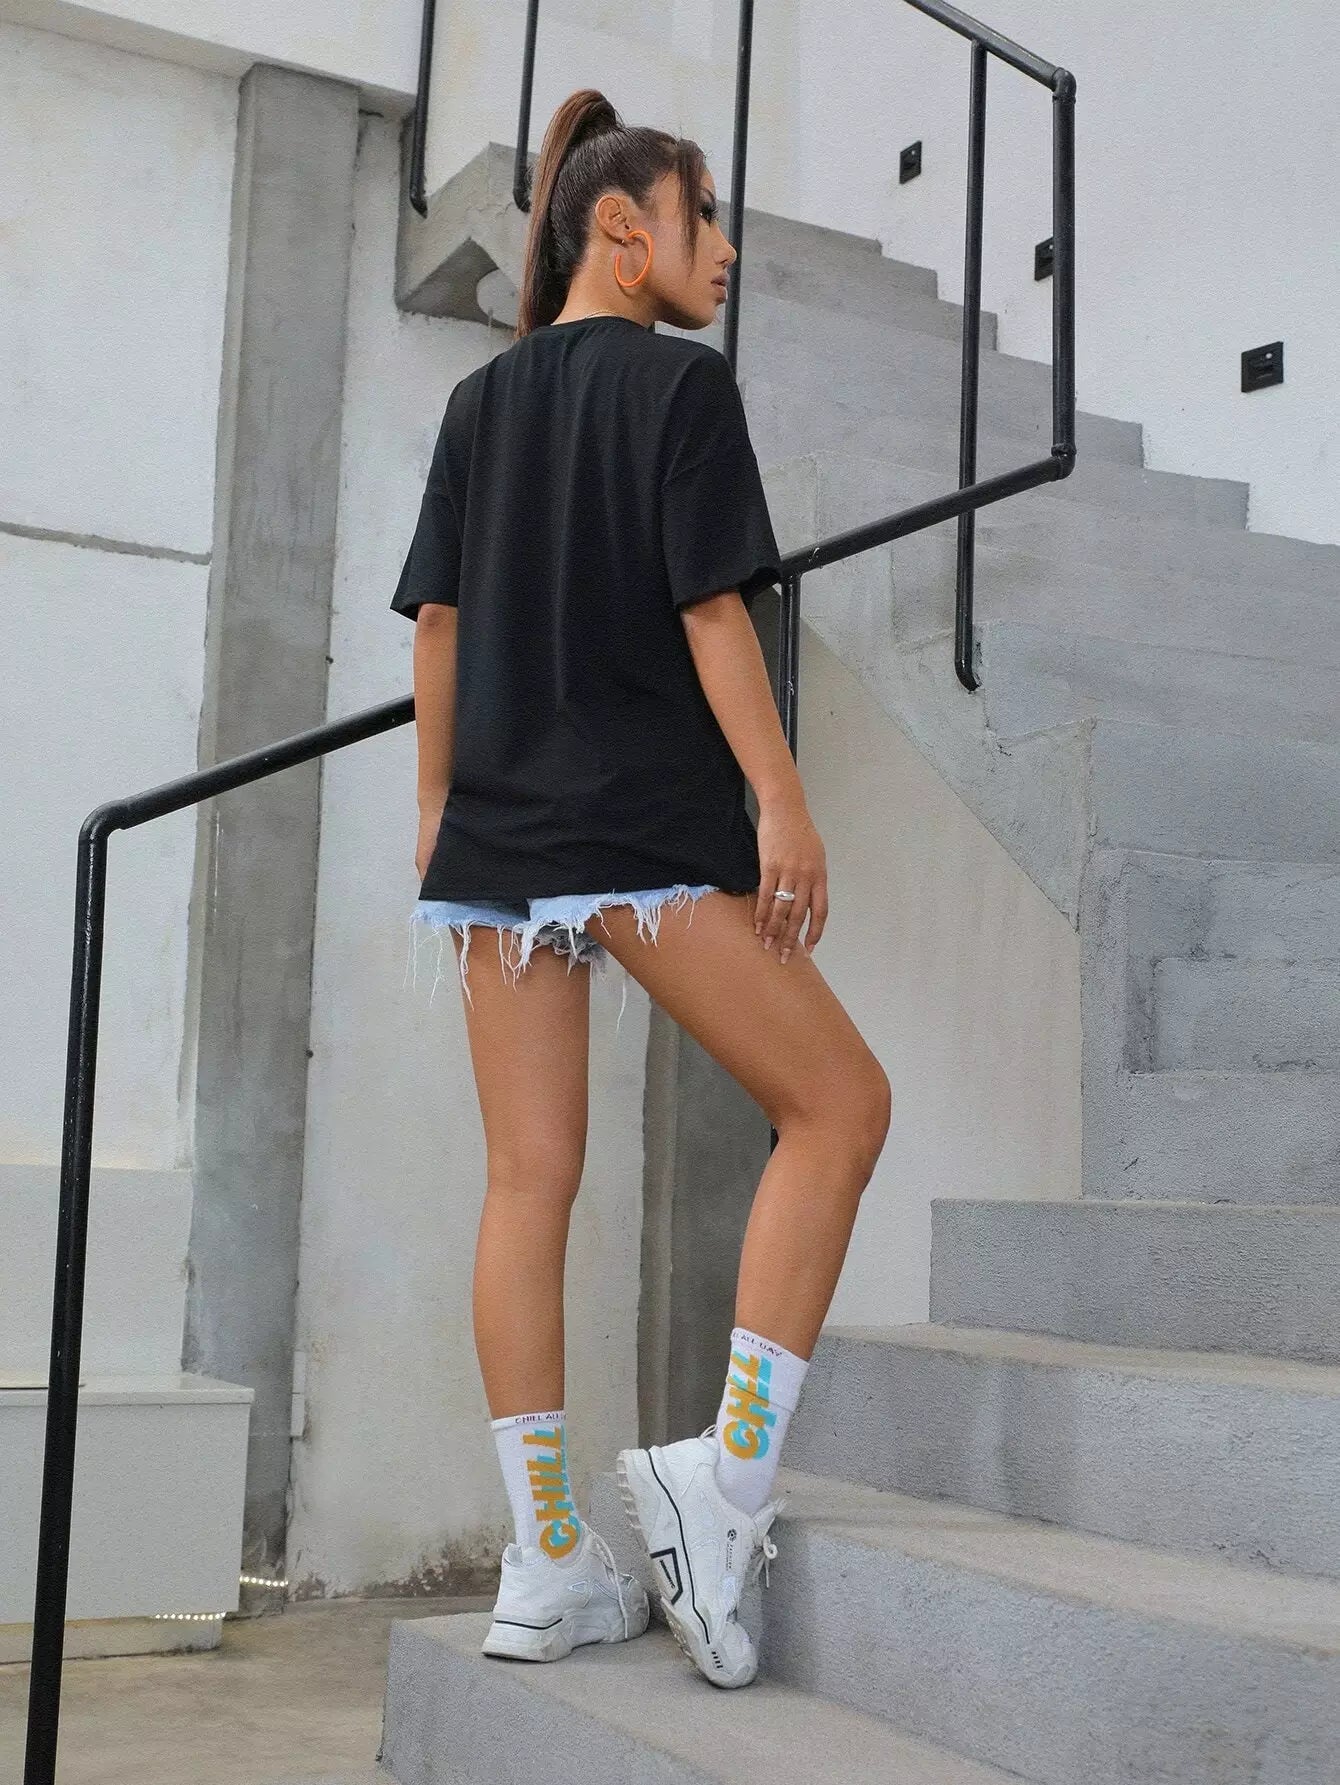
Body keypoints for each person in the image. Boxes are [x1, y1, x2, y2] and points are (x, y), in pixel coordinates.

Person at [390, 86, 892, 1689]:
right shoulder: (682, 387)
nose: (726, 246)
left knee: (525, 1184)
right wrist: (783, 800)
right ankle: (724, 1479)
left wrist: (437, 811)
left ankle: (546, 1554)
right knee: (842, 1106)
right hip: (640, 839)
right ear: (625, 231)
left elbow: (440, 626)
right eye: (704, 214)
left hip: (495, 848)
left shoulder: (480, 404)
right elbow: (711, 612)